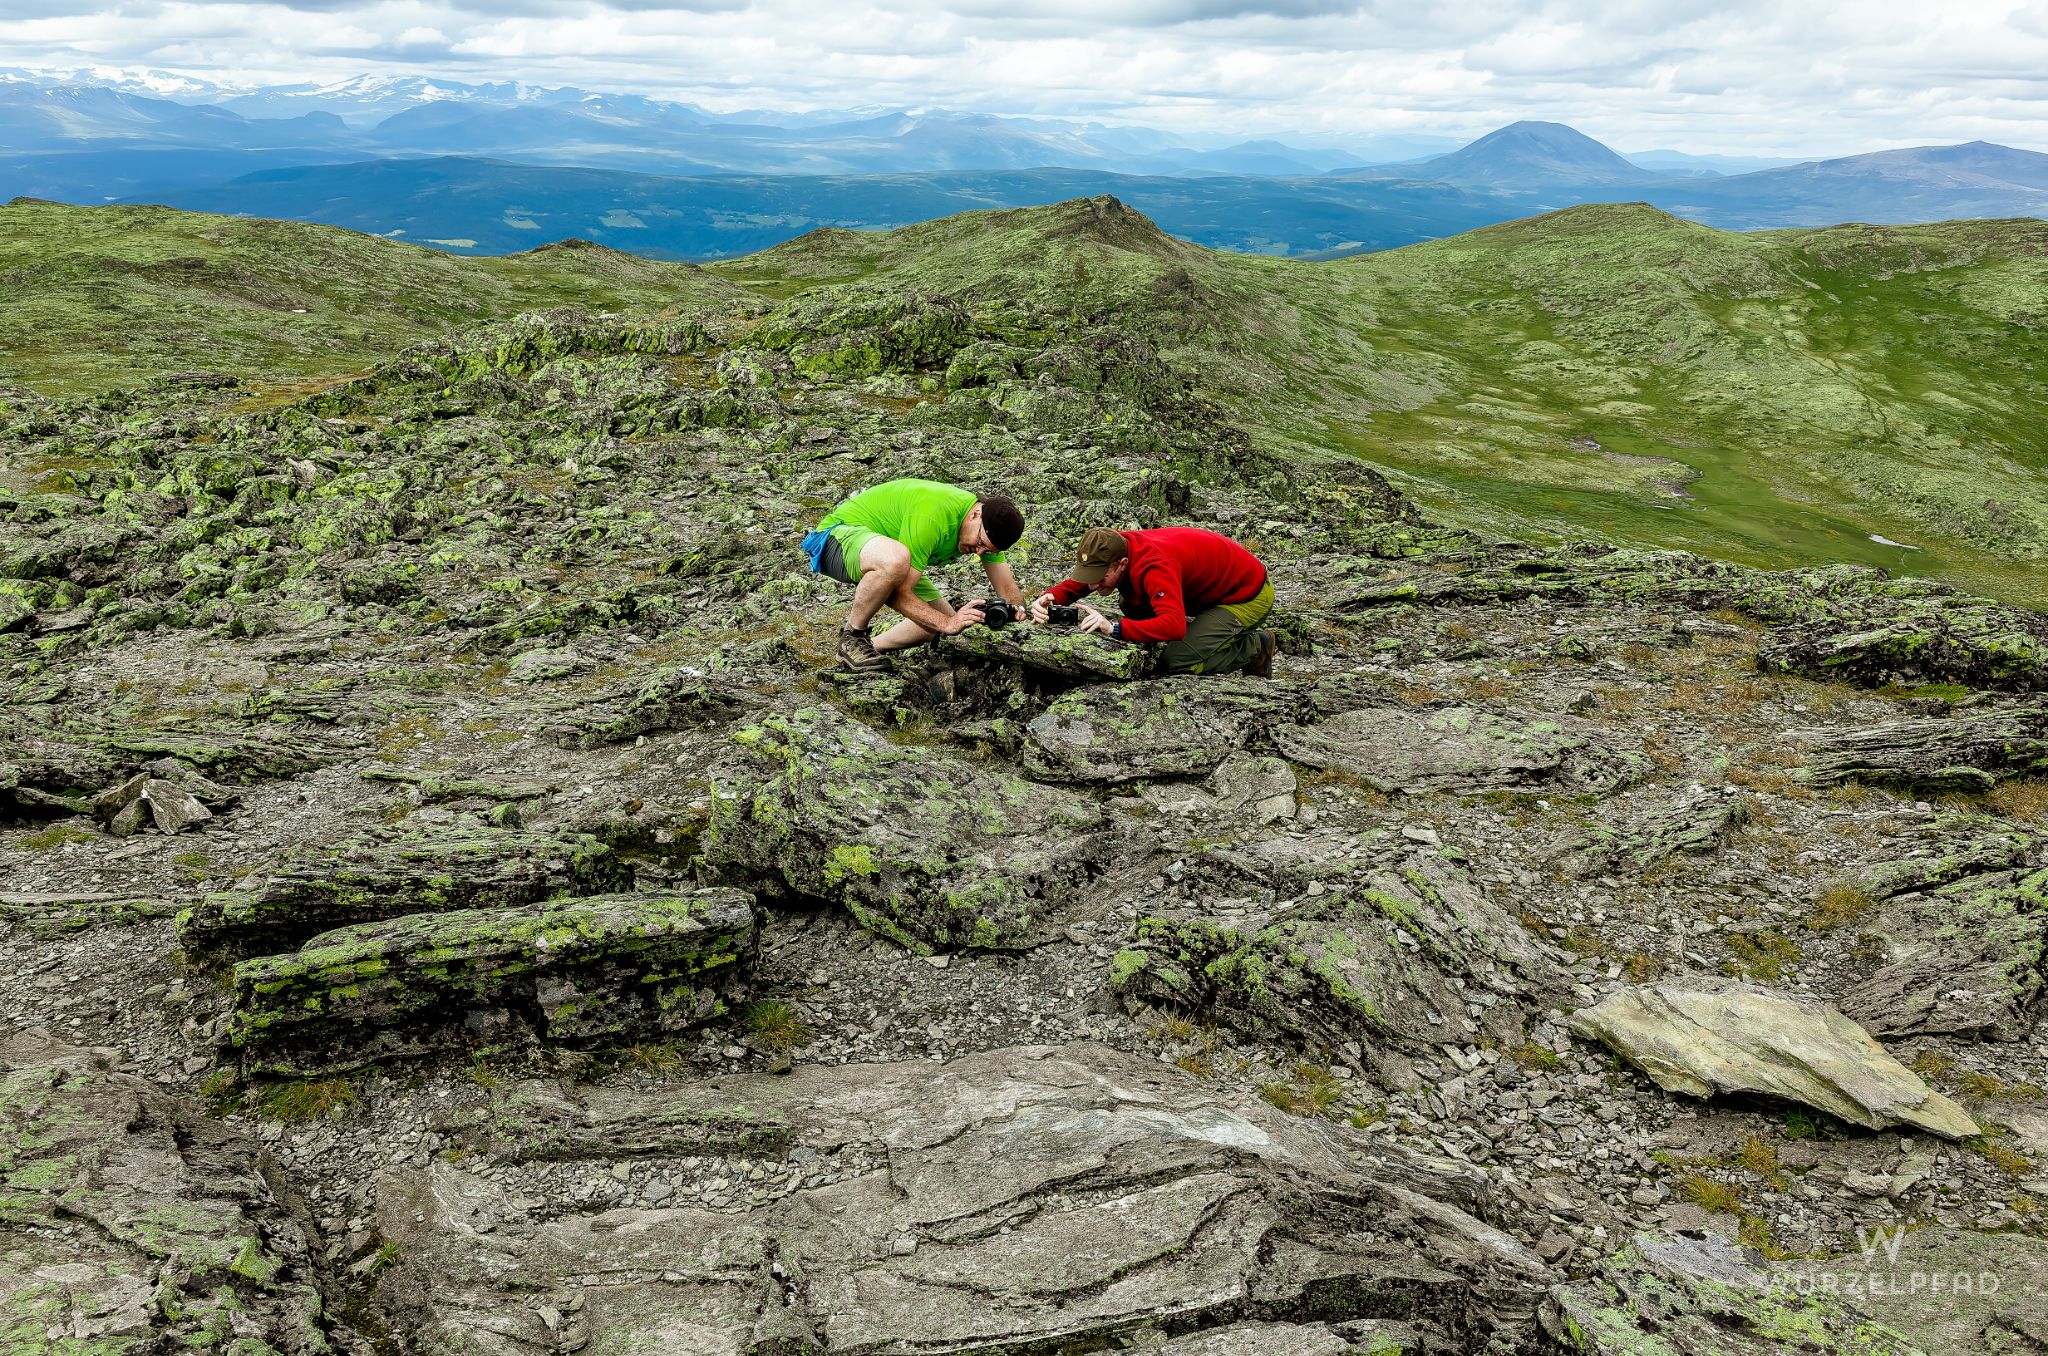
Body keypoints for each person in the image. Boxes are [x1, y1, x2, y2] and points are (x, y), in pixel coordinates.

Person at [801, 478, 1026, 672]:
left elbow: (1007, 589)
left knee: (932, 624)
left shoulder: (985, 530)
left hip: (887, 555)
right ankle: (852, 636)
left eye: (987, 551)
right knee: (899, 564)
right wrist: (948, 623)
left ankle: (869, 647)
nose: (979, 553)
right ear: (976, 514)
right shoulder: (936, 514)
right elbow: (898, 595)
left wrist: (1016, 611)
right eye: (980, 544)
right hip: (835, 538)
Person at [1032, 526, 1278, 678]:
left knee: (1175, 662)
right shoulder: (1115, 548)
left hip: (1246, 596)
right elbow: (1086, 579)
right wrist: (1051, 597)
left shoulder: (1155, 567)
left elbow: (1174, 626)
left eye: (1099, 577)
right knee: (1130, 604)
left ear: (1122, 564)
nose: (1093, 585)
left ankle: (1255, 648)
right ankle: (1205, 629)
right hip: (1206, 591)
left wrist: (1114, 629)